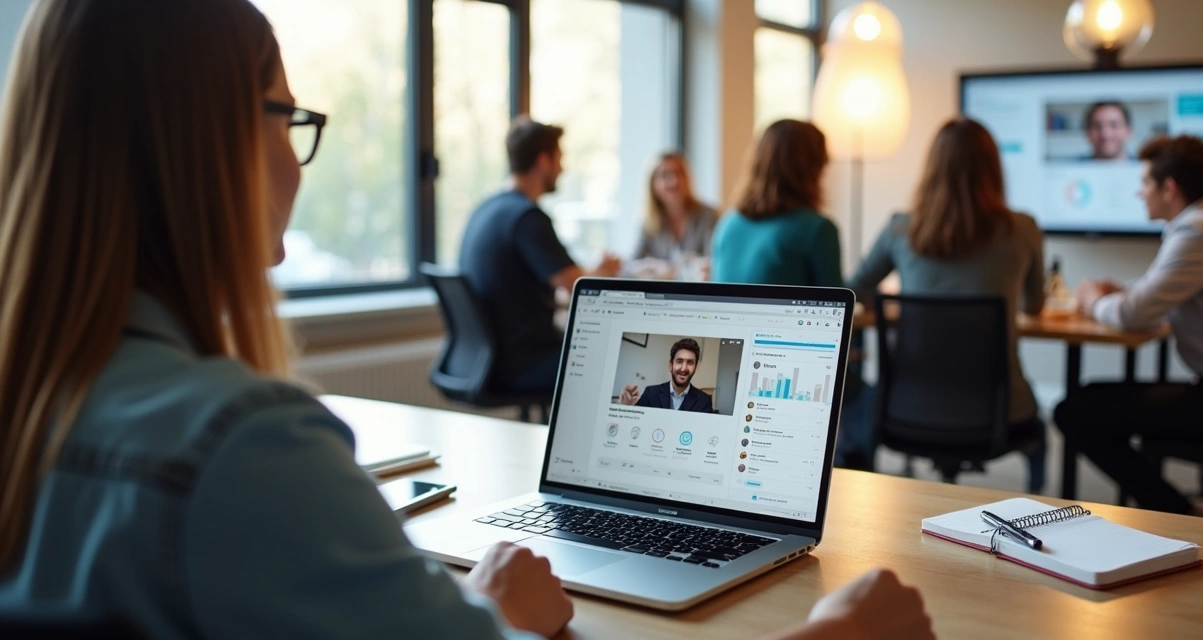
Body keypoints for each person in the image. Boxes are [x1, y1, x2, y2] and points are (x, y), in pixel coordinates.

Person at [0, 2, 939, 638]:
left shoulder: (37, 404)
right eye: (287, 118)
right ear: (203, 142)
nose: (297, 158)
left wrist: (482, 618)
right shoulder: (242, 449)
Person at [848, 118, 1048, 493]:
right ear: (993, 169)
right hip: (1001, 414)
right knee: (1041, 436)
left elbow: (854, 289)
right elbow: (1035, 305)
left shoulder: (900, 228)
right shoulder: (1022, 228)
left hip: (905, 410)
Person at [1057, 134, 1203, 515]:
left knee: (1077, 412)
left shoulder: (1197, 230)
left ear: (1170, 188)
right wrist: (1124, 290)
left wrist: (1095, 300)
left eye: (1145, 183)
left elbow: (1133, 315)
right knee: (1092, 398)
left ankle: (1179, 512)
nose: (1139, 193)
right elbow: (1163, 293)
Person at [711, 120, 875, 470]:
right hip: (785, 376)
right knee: (871, 400)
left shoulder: (729, 223)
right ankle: (854, 483)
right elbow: (836, 315)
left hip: (729, 370)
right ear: (812, 167)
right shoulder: (817, 229)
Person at [459, 116, 621, 394]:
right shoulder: (527, 218)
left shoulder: (484, 211)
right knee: (611, 361)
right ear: (544, 161)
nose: (563, 168)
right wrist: (606, 270)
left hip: (479, 359)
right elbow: (577, 287)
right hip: (522, 362)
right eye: (560, 159)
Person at [634, 152, 718, 261]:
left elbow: (714, 259)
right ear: (653, 183)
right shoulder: (649, 222)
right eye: (664, 175)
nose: (674, 181)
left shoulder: (708, 216)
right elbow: (634, 261)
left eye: (678, 173)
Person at [618, 338, 714, 412]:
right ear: (671, 365)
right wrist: (627, 408)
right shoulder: (651, 393)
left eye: (690, 362)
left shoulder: (704, 401)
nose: (684, 368)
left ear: (696, 367)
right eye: (679, 361)